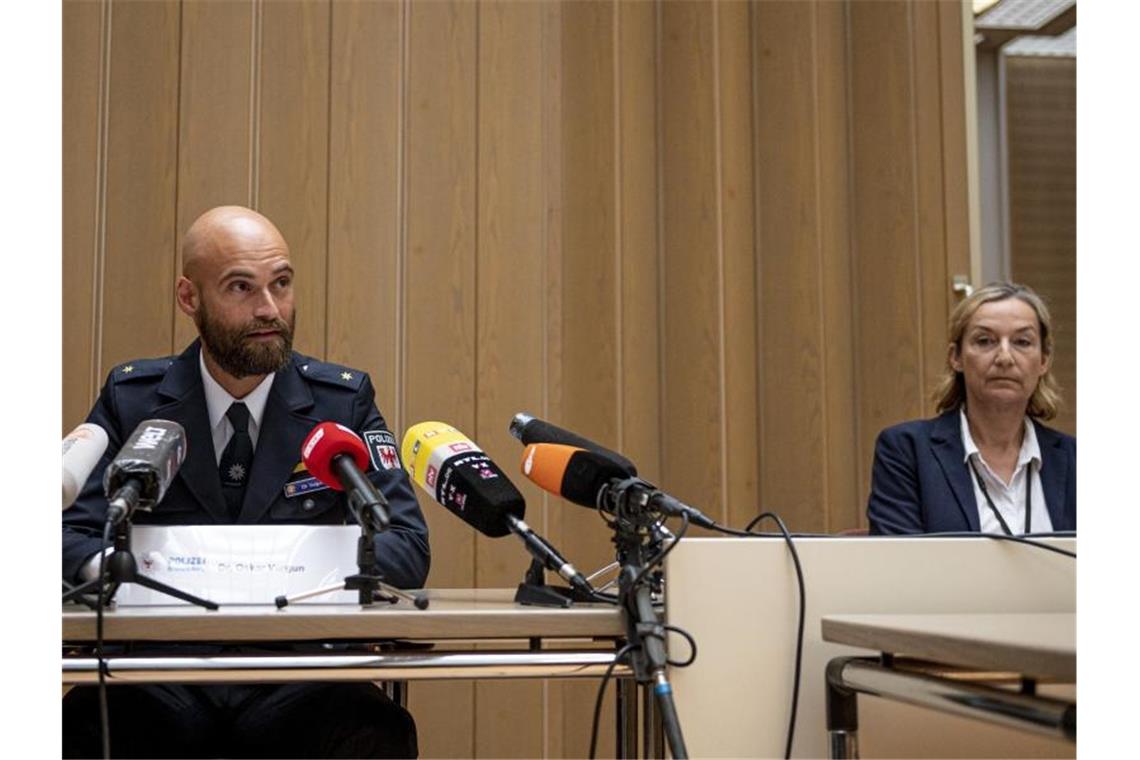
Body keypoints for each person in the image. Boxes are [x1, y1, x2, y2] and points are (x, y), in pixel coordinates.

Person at [62, 206, 430, 758]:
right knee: (79, 724)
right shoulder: (134, 399)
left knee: (372, 730)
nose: (269, 309)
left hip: (300, 675)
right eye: (241, 287)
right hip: (161, 675)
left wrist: (277, 569)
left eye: (281, 284)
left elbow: (405, 546)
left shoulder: (340, 403)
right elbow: (69, 539)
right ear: (190, 298)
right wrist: (124, 572)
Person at [867, 282, 1076, 535]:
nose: (1005, 358)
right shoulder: (907, 451)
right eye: (985, 341)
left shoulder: (1076, 460)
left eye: (1022, 342)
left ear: (1043, 361)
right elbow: (899, 565)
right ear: (956, 357)